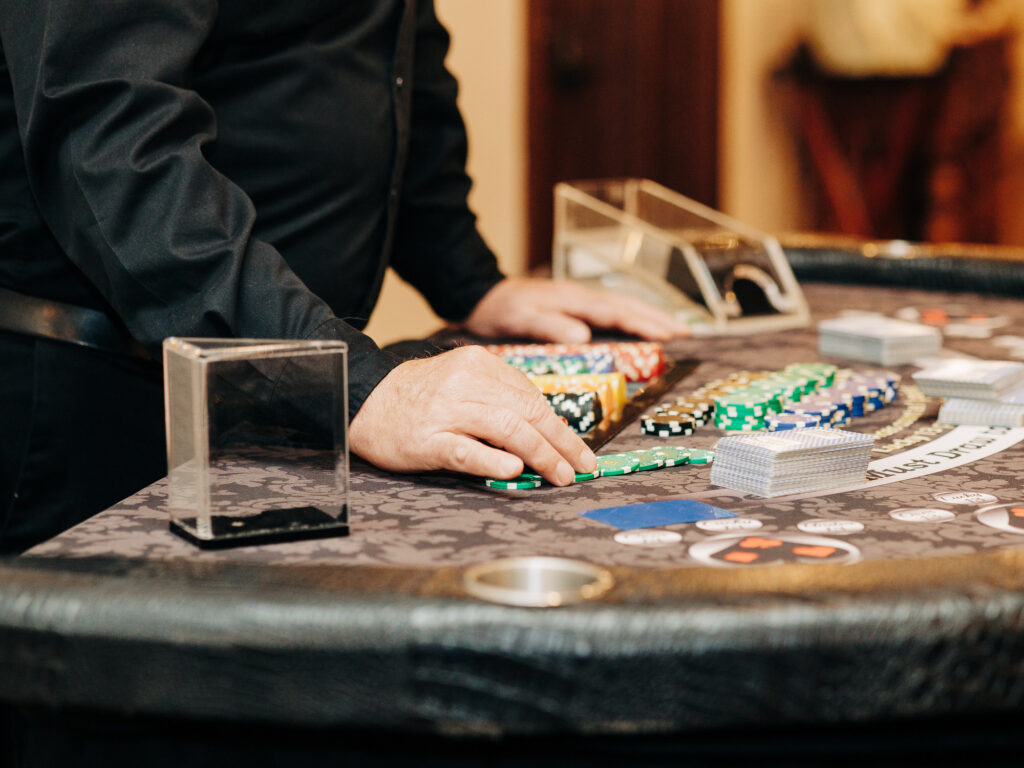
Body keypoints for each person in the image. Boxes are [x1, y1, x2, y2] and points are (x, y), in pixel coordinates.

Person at [0, 0, 687, 554]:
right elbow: (109, 140)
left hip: (291, 393)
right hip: (99, 403)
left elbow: (388, 53)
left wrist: (471, 281)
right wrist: (355, 386)